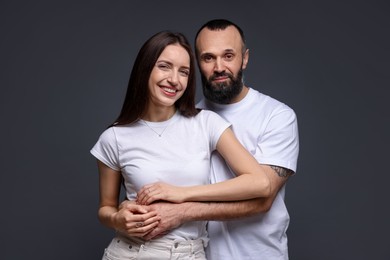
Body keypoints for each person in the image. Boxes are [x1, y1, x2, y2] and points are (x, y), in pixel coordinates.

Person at [120, 19, 299, 260]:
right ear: (197, 64)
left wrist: (183, 211)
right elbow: (150, 184)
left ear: (244, 58)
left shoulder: (277, 116)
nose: (219, 67)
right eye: (208, 58)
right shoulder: (186, 120)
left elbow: (262, 200)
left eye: (228, 56)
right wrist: (123, 210)